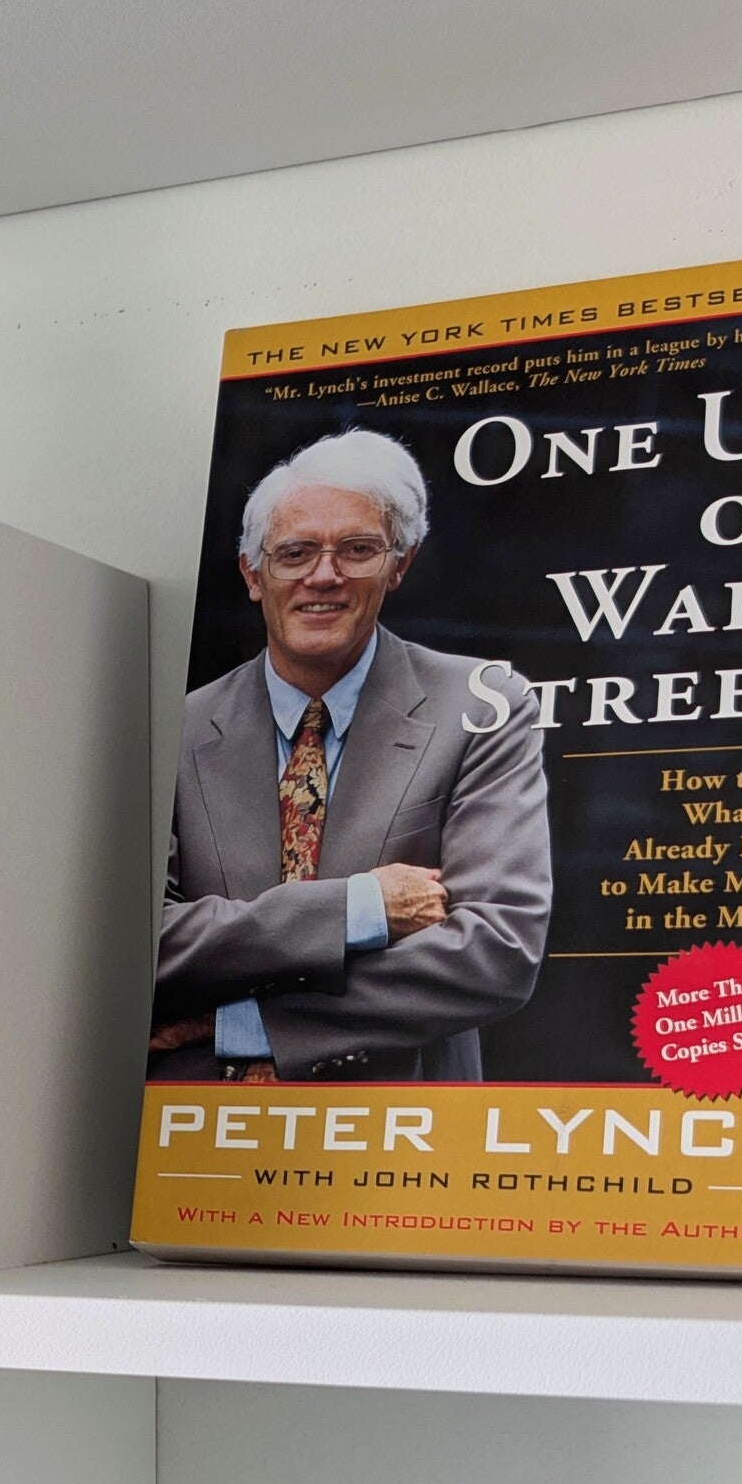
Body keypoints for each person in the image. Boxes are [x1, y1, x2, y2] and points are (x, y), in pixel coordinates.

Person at [148, 428, 549, 1082]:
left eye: (357, 549)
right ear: (252, 573)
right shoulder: (172, 728)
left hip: (400, 1135)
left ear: (401, 562)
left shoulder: (483, 708)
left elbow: (497, 951)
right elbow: (142, 944)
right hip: (193, 1127)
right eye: (295, 552)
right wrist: (361, 907)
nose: (324, 576)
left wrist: (241, 1022)